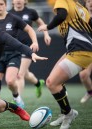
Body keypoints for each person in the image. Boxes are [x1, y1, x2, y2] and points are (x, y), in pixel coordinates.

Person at [37, 0, 92, 129]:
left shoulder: (63, 1)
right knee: (56, 82)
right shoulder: (80, 8)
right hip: (78, 51)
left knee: (51, 83)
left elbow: (61, 15)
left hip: (80, 52)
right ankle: (64, 113)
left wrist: (47, 27)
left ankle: (69, 114)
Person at [0, 0, 39, 108]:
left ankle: (16, 96)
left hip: (13, 54)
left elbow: (30, 29)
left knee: (10, 81)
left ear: (6, 5)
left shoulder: (13, 18)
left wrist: (34, 42)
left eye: (1, 4)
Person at [9, 0, 51, 98]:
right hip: (14, 48)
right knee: (25, 73)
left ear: (25, 1)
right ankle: (38, 83)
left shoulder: (31, 12)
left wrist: (46, 34)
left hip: (28, 46)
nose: (18, 0)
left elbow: (41, 23)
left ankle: (18, 101)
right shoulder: (8, 14)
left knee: (20, 74)